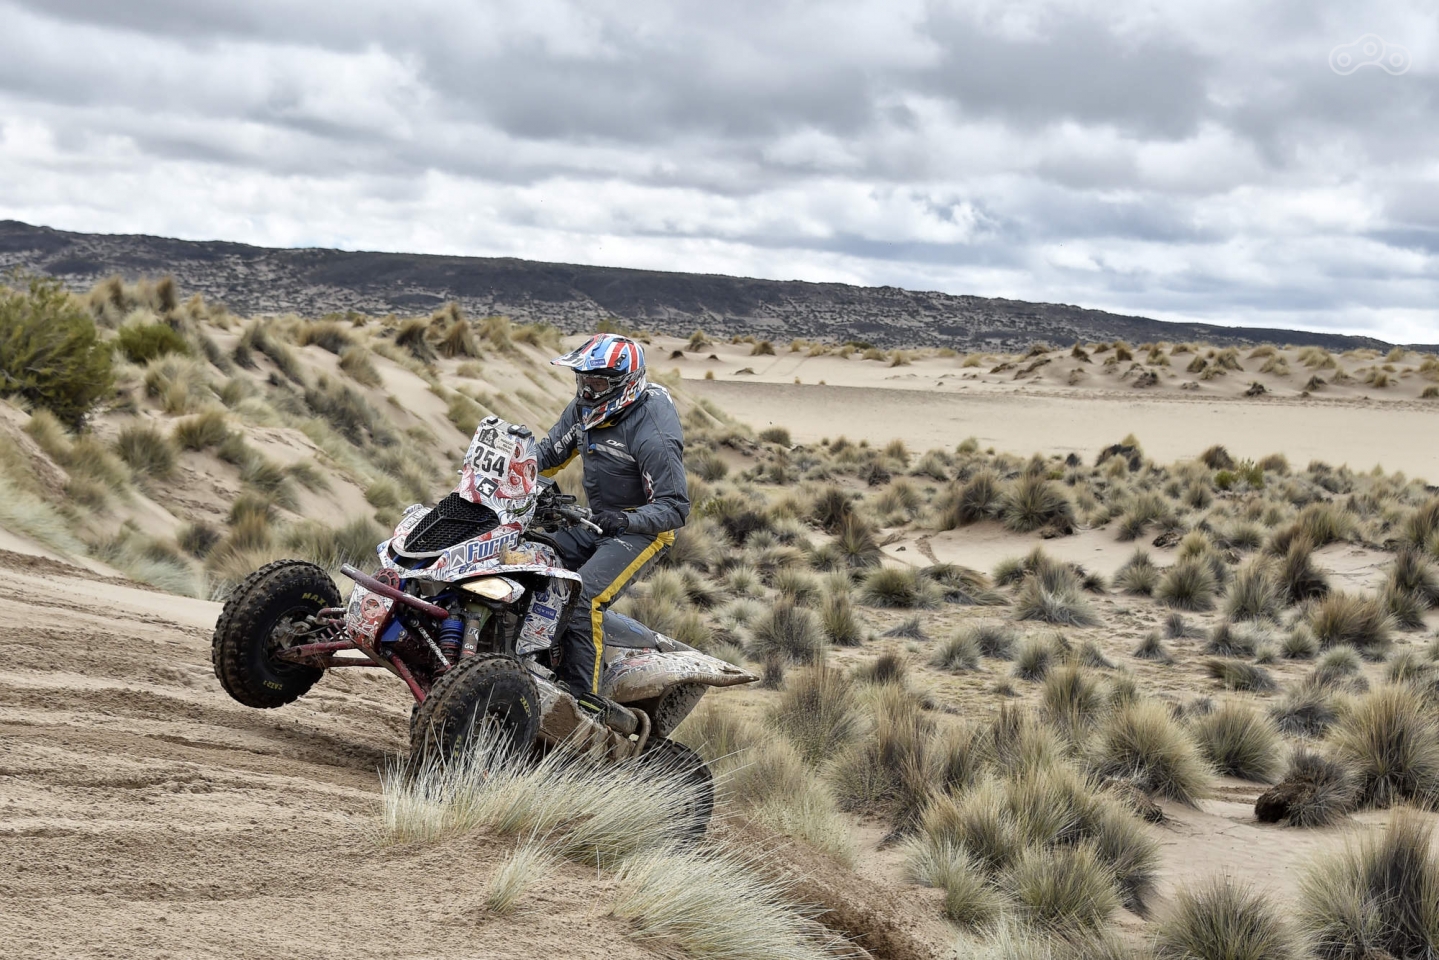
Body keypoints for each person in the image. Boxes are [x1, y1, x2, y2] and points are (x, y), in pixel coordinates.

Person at [538, 332, 689, 706]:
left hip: (645, 529)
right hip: (596, 519)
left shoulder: (653, 431)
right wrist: (509, 466)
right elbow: (548, 455)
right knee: (532, 560)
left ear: (625, 384)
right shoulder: (585, 409)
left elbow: (675, 507)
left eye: (598, 384)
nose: (587, 391)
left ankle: (582, 701)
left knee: (582, 598)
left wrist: (625, 520)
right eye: (583, 381)